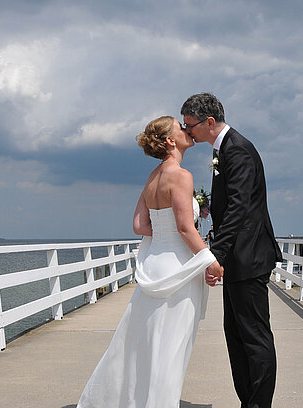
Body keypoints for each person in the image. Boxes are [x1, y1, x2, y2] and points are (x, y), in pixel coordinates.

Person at [76, 115, 222, 408]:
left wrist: (165, 231)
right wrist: (210, 261)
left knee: (143, 344)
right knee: (170, 349)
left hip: (154, 264)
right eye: (180, 128)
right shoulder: (181, 176)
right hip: (178, 269)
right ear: (170, 140)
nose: (187, 130)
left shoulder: (153, 177)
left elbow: (139, 226)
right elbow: (184, 227)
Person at [181, 93, 283, 408]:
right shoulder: (223, 149)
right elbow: (230, 208)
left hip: (248, 257)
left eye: (191, 126)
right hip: (239, 256)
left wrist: (215, 255)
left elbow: (239, 208)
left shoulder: (236, 149)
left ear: (209, 122)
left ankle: (258, 404)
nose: (188, 133)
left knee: (253, 337)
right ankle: (247, 401)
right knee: (236, 335)